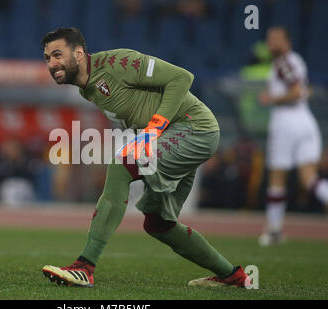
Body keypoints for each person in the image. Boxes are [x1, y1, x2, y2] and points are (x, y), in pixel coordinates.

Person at [40, 27, 250, 288]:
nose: (52, 63)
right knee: (158, 224)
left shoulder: (119, 63)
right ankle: (233, 276)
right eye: (48, 58)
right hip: (175, 135)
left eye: (57, 54)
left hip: (194, 128)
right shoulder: (87, 89)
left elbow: (182, 78)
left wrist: (153, 129)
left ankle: (85, 267)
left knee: (122, 164)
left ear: (80, 53)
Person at [258, 27, 328, 246]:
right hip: (306, 121)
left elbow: (297, 91)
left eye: (276, 39)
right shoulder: (295, 60)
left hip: (287, 122)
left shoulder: (284, 62)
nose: (271, 43)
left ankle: (274, 230)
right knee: (309, 178)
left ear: (287, 42)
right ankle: (275, 230)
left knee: (277, 178)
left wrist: (272, 99)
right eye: (270, 39)